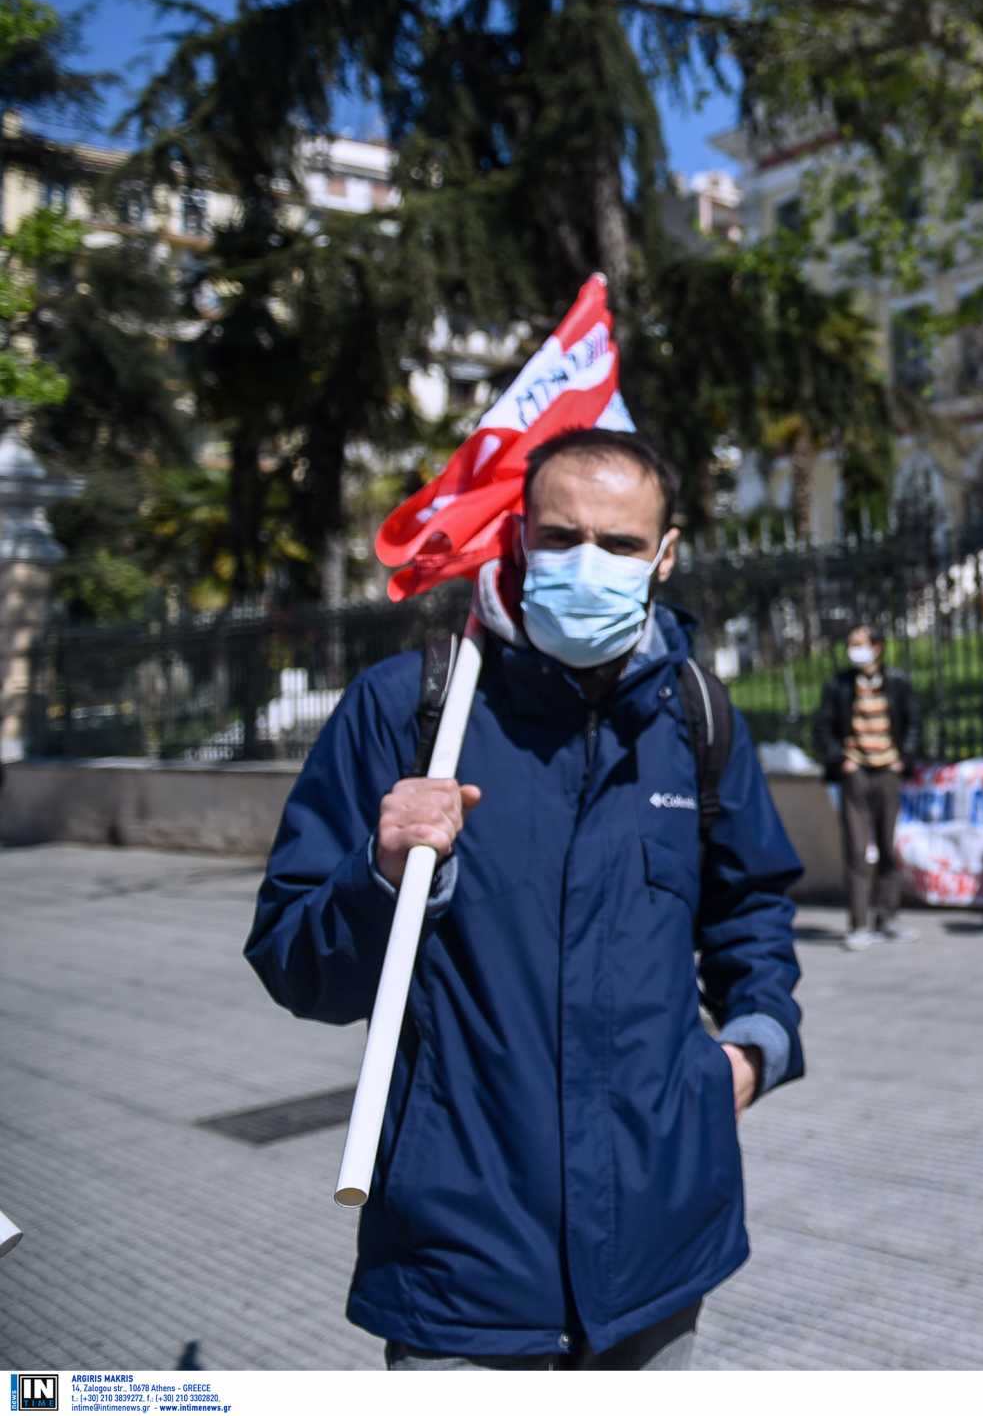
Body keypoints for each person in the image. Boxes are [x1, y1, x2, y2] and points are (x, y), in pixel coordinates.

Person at [248, 427, 805, 1370]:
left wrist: (749, 1053)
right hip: (459, 1265)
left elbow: (752, 906)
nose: (589, 563)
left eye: (621, 544)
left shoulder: (696, 716)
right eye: (560, 537)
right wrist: (382, 875)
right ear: (515, 538)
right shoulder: (410, 710)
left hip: (659, 1251)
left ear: (664, 556)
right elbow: (296, 959)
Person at [814, 622, 921, 949]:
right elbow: (822, 727)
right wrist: (840, 760)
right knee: (857, 851)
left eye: (859, 643)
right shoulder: (839, 685)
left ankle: (887, 916)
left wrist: (904, 757)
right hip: (856, 773)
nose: (853, 650)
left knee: (888, 848)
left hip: (887, 770)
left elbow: (914, 722)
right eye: (850, 644)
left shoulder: (898, 683)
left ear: (877, 647)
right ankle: (859, 923)